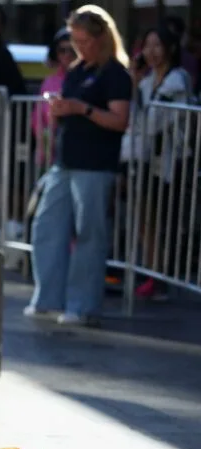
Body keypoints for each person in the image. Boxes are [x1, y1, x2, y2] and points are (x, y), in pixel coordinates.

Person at [26, 5, 131, 326]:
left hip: (95, 165)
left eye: (84, 40)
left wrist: (81, 108)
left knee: (89, 235)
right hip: (65, 161)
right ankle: (48, 298)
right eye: (75, 40)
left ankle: (83, 305)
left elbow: (119, 119)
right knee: (46, 227)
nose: (79, 46)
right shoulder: (75, 70)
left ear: (101, 38)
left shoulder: (115, 73)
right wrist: (59, 110)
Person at [126, 26, 192, 301]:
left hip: (170, 160)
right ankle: (152, 272)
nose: (150, 52)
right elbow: (137, 119)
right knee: (145, 217)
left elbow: (156, 121)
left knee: (165, 219)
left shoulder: (179, 80)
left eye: (157, 45)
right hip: (144, 157)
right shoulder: (145, 81)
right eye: (147, 46)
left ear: (170, 48)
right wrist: (134, 78)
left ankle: (163, 276)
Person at [33, 30, 75, 170]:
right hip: (48, 152)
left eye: (72, 50)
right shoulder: (49, 82)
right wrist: (43, 142)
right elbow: (37, 117)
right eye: (62, 50)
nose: (67, 54)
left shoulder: (86, 80)